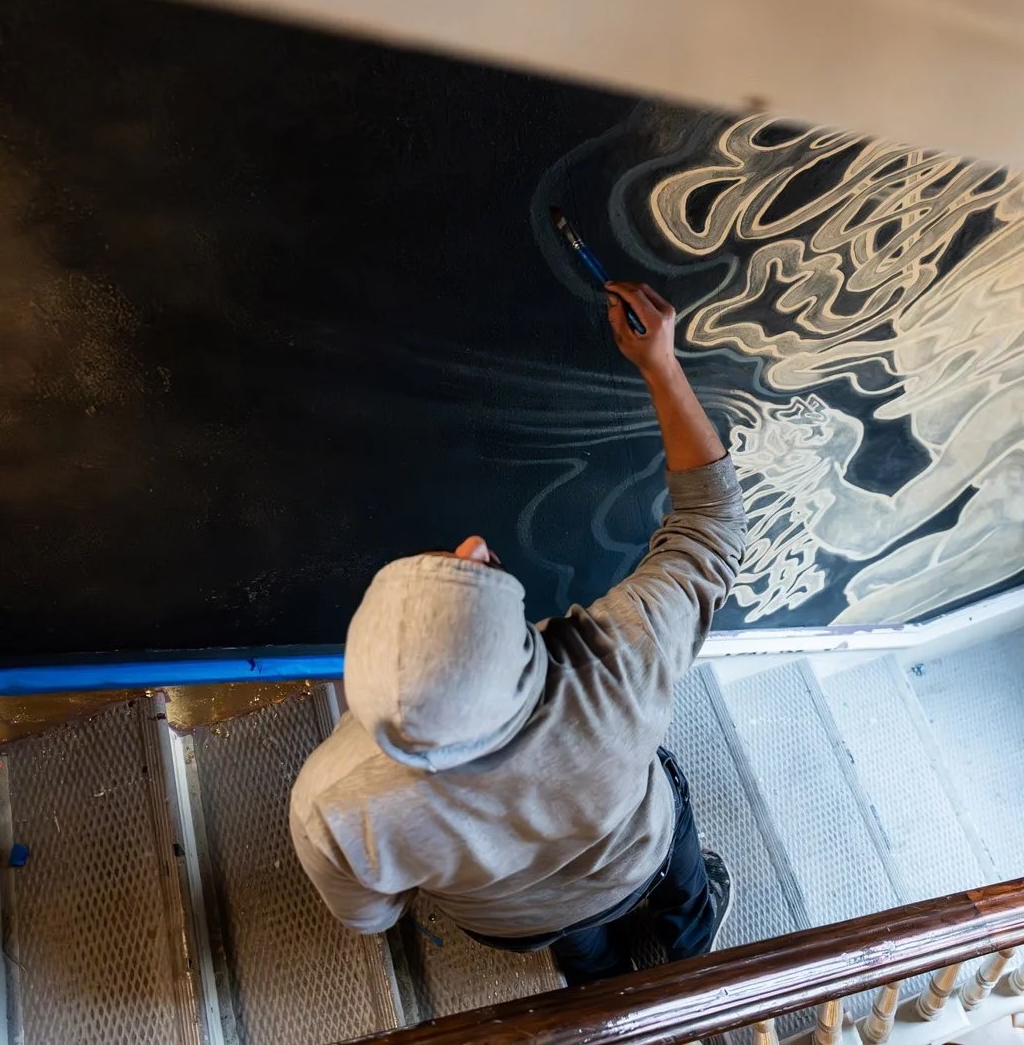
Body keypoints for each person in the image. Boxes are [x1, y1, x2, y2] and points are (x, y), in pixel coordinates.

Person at [289, 280, 747, 985]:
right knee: (679, 852)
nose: (474, 541)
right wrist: (661, 365)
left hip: (517, 920)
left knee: (579, 943)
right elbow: (710, 527)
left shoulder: (331, 801)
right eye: (484, 573)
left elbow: (372, 915)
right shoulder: (616, 663)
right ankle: (691, 936)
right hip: (636, 854)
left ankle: (596, 980)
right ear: (513, 654)